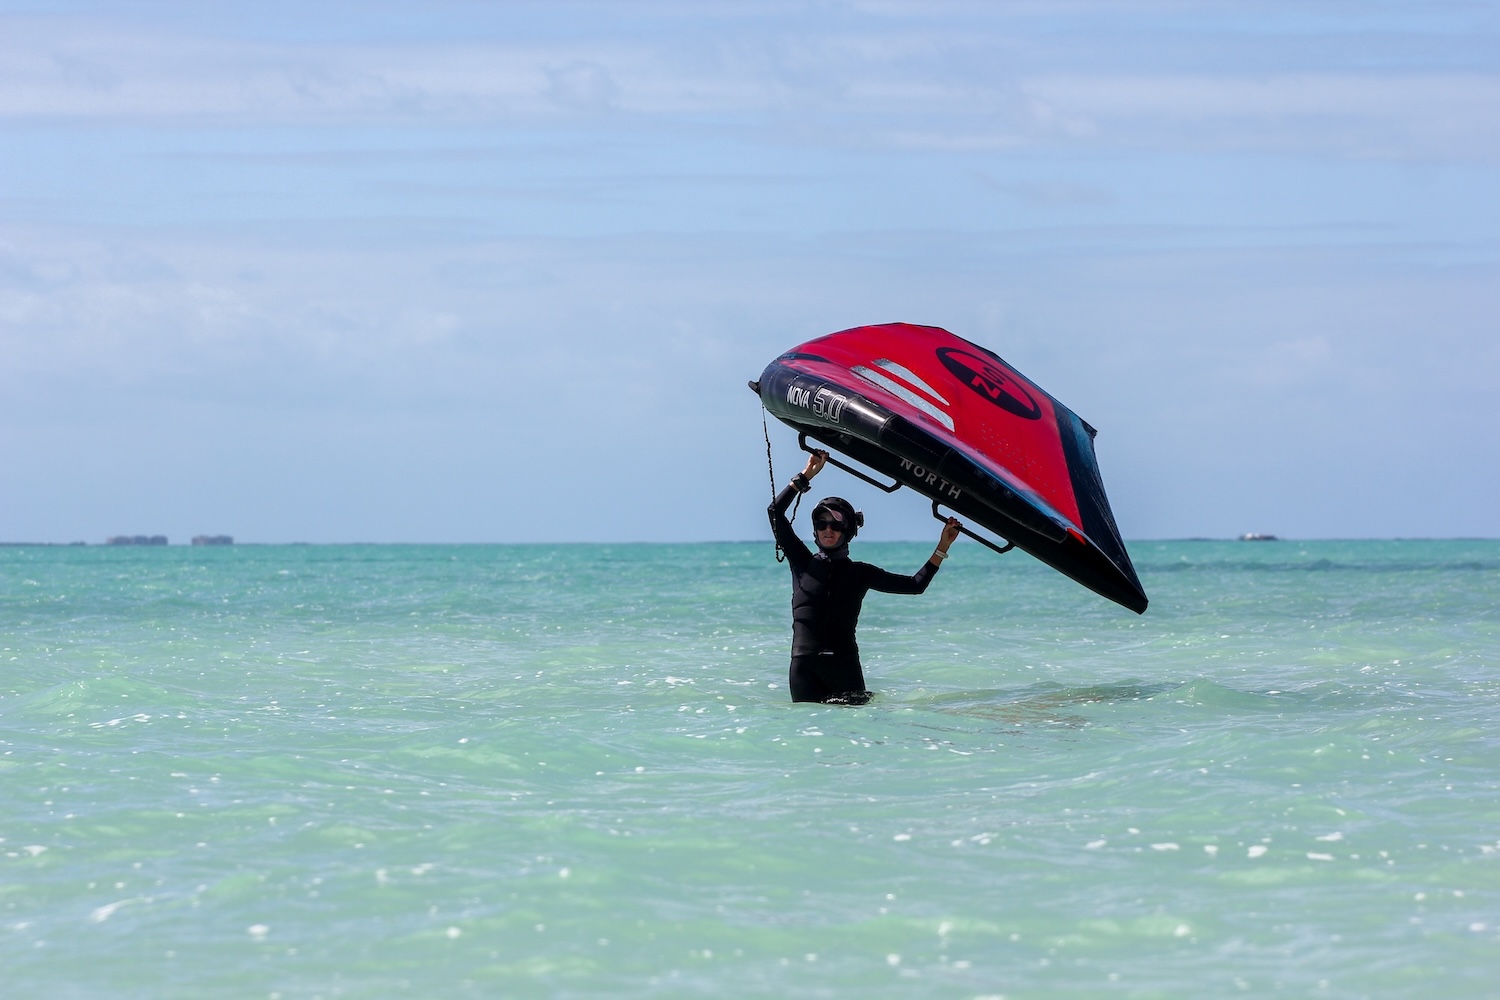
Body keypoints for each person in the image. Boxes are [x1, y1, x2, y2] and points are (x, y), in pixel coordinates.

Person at [768, 448, 962, 705]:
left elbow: (915, 585)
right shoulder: (802, 562)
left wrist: (942, 547)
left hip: (843, 667)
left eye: (836, 525)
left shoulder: (860, 573)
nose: (828, 530)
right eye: (821, 524)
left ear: (847, 531)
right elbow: (775, 513)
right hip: (804, 669)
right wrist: (805, 476)